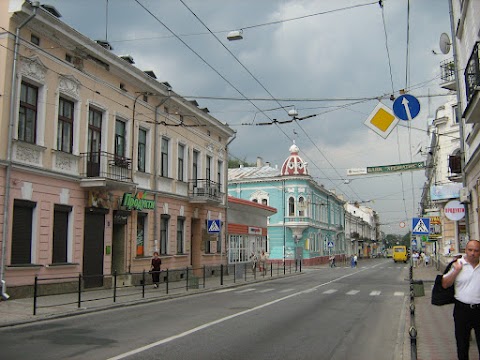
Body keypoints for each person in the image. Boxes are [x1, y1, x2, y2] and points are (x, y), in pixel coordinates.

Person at [442, 240, 480, 360]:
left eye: (476, 251)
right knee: (462, 344)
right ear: (465, 250)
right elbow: (445, 284)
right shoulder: (457, 264)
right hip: (462, 310)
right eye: (470, 250)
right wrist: (456, 271)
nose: (473, 253)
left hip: (479, 309)